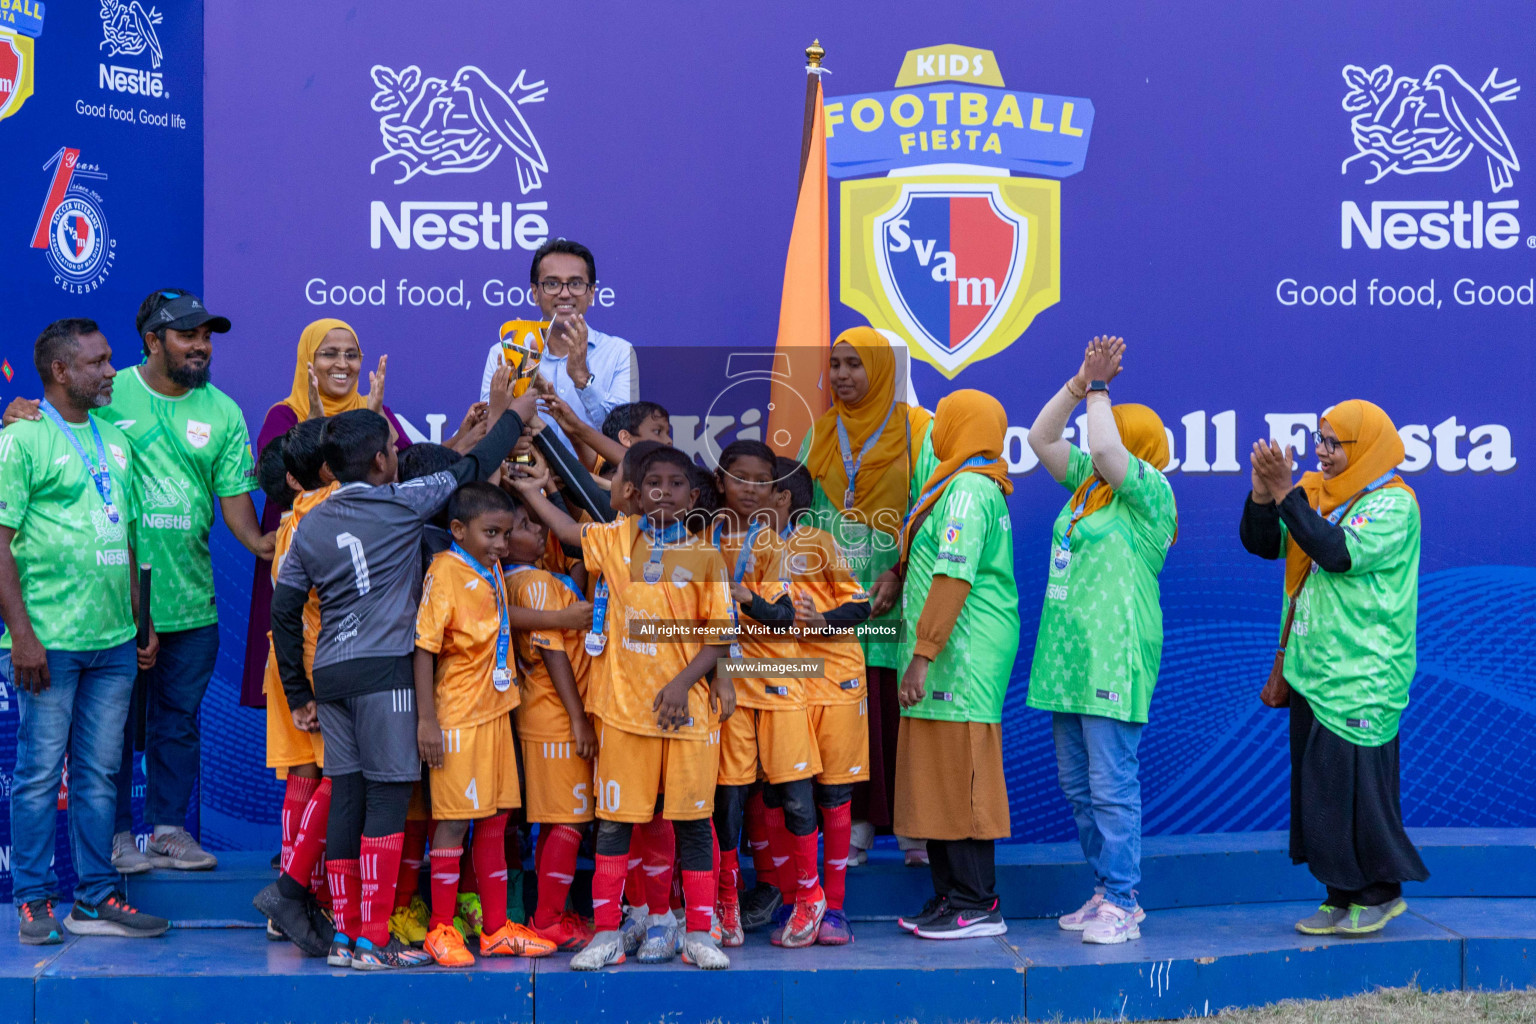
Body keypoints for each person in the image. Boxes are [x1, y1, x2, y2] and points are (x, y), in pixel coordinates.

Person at [254, 368, 534, 969]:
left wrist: (300, 689)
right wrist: (516, 412)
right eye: (390, 446)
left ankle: (347, 936)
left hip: (330, 675)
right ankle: (371, 939)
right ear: (384, 461)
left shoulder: (309, 523)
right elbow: (473, 465)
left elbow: (281, 610)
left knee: (347, 796)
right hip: (386, 676)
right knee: (386, 802)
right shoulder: (405, 503)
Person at [62, 289, 268, 875]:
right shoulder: (109, 392)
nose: (201, 347)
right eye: (187, 336)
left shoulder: (224, 411)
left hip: (190, 603)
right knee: (114, 726)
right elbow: (59, 421)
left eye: (206, 336)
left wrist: (260, 544)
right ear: (153, 340)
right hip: (112, 602)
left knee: (176, 723)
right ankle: (119, 837)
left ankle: (170, 832)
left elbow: (234, 503)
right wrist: (20, 410)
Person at [512, 444, 736, 971]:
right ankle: (607, 933)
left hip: (685, 715)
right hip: (623, 713)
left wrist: (683, 685)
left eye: (676, 483)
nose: (664, 491)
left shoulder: (707, 556)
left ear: (693, 494)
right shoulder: (616, 540)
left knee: (692, 823)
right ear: (634, 494)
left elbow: (719, 633)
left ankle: (699, 933)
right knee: (614, 825)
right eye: (652, 482)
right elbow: (568, 533)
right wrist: (530, 490)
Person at [1, 319, 166, 942]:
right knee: (41, 774)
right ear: (61, 371)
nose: (109, 371)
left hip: (112, 641)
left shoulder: (115, 443)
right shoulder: (22, 440)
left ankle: (94, 899)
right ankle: (34, 898)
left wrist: (137, 621)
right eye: (98, 363)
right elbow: (1, 545)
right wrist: (21, 635)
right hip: (48, 640)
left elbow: (121, 536)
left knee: (98, 774)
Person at [1241, 400, 1428, 937]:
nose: (1320, 452)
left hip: (1364, 674)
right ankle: (1340, 893)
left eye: (1332, 443)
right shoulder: (1314, 496)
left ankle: (1380, 893)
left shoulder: (1395, 505)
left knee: (1360, 792)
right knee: (1320, 790)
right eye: (1317, 440)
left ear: (1363, 447)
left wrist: (1284, 495)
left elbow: (1336, 551)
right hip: (1311, 669)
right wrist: (1262, 492)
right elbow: (1262, 543)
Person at [1024, 337, 1178, 945]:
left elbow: (1109, 450)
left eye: (1108, 427)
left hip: (1115, 657)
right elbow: (1040, 439)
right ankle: (1102, 889)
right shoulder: (1091, 486)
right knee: (1078, 785)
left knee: (1113, 785)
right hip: (1068, 661)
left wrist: (1099, 387)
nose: (1095, 439)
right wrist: (1075, 382)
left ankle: (1124, 900)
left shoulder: (1151, 496)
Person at [798, 326, 936, 874]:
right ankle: (855, 828)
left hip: (896, 600)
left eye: (855, 364)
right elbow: (807, 518)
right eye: (835, 364)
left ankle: (915, 831)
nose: (842, 376)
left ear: (882, 370)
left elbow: (928, 509)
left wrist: (899, 573)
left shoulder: (918, 431)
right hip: (839, 602)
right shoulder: (822, 433)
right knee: (855, 717)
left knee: (897, 712)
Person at [413, 482, 558, 966]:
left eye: (506, 532)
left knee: (495, 821)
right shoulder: (445, 569)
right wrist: (427, 722)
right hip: (456, 717)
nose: (500, 543)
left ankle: (495, 928)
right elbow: (424, 647)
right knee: (453, 824)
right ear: (457, 530)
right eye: (491, 533)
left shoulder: (491, 567)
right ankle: (440, 929)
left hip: (497, 712)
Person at [891, 389, 1018, 940]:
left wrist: (923, 655)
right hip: (943, 656)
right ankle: (949, 897)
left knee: (962, 781)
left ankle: (977, 903)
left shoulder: (967, 489)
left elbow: (953, 577)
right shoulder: (954, 484)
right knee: (940, 780)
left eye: (943, 422)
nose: (935, 430)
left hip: (959, 660)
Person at [241, 317, 415, 710]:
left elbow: (402, 473)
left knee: (348, 697)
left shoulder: (375, 412)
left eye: (352, 355)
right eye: (330, 353)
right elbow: (289, 486)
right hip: (304, 567)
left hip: (359, 569)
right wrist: (319, 427)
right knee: (301, 707)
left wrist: (479, 429)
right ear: (308, 360)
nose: (343, 363)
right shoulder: (284, 417)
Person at [707, 441, 824, 950]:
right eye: (740, 478)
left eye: (762, 482)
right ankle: (727, 901)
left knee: (796, 799)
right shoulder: (704, 539)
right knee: (728, 797)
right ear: (720, 482)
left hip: (779, 682)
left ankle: (810, 896)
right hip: (728, 682)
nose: (751, 489)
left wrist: (747, 598)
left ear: (776, 491)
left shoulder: (777, 545)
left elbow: (785, 616)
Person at [774, 456, 871, 946]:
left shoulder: (819, 543)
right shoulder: (744, 546)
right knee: (789, 793)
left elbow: (862, 604)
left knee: (832, 794)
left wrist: (823, 621)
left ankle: (834, 908)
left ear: (783, 498)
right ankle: (800, 899)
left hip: (835, 682)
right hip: (783, 682)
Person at [501, 492, 597, 952]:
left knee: (558, 819)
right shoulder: (534, 582)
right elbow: (554, 649)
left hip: (544, 717)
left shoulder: (534, 579)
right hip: (557, 718)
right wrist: (579, 720)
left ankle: (550, 913)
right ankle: (547, 920)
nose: (538, 531)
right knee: (570, 822)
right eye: (524, 525)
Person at [257, 420, 335, 934]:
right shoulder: (325, 513)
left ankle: (291, 891)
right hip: (316, 668)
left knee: (303, 776)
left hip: (286, 666)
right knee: (336, 777)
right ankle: (299, 889)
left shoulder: (289, 521)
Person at [478, 238, 638, 453]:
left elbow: (623, 440)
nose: (564, 293)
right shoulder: (503, 353)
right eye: (552, 284)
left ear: (591, 294)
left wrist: (583, 379)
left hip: (598, 484)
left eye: (576, 284)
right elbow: (489, 436)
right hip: (524, 480)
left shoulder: (620, 353)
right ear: (535, 292)